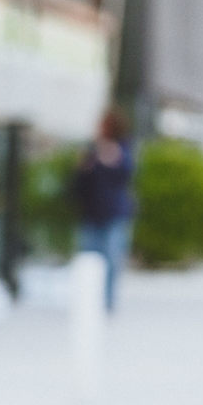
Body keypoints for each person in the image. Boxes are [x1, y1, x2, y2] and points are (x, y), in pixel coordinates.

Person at [73, 108, 135, 313]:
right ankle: (89, 299)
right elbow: (79, 182)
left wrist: (113, 159)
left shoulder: (124, 149)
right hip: (91, 214)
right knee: (89, 260)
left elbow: (127, 175)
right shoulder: (92, 150)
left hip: (114, 215)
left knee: (111, 260)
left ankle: (107, 302)